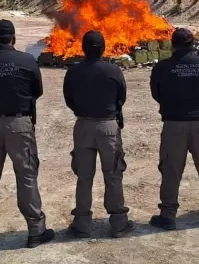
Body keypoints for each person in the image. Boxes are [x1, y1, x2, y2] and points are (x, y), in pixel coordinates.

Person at [0, 20, 54, 251]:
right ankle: (36, 231)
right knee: (26, 176)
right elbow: (37, 91)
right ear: (13, 39)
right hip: (20, 124)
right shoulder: (27, 61)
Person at [149, 27, 199, 229]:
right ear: (192, 44)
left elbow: (156, 94)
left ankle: (167, 216)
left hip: (173, 124)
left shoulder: (162, 68)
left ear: (172, 45)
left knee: (170, 170)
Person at [63, 30, 133, 239]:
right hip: (108, 127)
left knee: (84, 176)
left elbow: (68, 99)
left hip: (83, 126)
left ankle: (82, 224)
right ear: (103, 49)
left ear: (83, 49)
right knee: (113, 174)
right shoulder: (114, 71)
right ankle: (119, 223)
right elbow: (122, 97)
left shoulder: (73, 72)